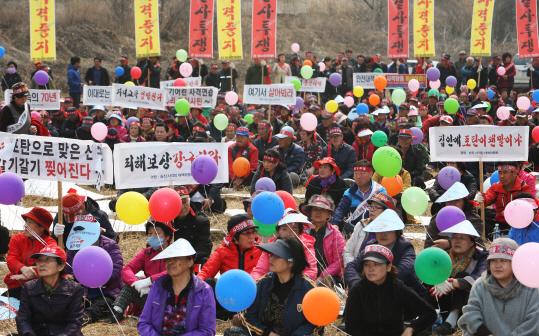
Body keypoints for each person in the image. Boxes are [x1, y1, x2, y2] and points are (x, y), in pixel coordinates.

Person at [344, 244, 436, 336]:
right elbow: (351, 327)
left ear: (388, 267)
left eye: (376, 264)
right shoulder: (357, 289)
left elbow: (429, 313)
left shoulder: (398, 288)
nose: (370, 269)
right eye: (367, 264)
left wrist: (412, 329)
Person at [239, 237, 321, 336]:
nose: (271, 259)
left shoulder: (309, 288)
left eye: (277, 256)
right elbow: (247, 317)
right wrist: (268, 333)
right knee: (233, 332)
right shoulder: (262, 284)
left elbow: (315, 324)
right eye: (271, 255)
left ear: (291, 262)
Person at [459, 238, 539, 336]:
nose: (497, 265)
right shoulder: (480, 285)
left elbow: (533, 322)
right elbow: (471, 315)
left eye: (503, 260)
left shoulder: (530, 288)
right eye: (493, 260)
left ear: (515, 263)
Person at [138, 238, 216, 336]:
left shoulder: (203, 291)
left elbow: (207, 330)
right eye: (167, 259)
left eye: (176, 258)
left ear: (190, 262)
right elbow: (144, 323)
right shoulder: (157, 286)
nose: (170, 262)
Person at [344, 209, 426, 298]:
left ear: (397, 233)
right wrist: (356, 283)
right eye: (380, 230)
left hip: (401, 295)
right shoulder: (372, 245)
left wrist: (376, 284)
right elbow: (351, 266)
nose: (383, 234)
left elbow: (404, 271)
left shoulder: (405, 246)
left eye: (388, 231)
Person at [102, 221, 174, 324]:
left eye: (157, 233)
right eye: (150, 233)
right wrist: (137, 284)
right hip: (150, 297)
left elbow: (173, 273)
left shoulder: (176, 253)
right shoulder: (146, 253)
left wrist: (149, 281)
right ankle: (116, 312)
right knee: (131, 284)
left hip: (171, 300)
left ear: (167, 236)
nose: (152, 237)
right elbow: (126, 270)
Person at [428, 221, 488, 335]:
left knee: (462, 276)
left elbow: (481, 277)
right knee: (436, 279)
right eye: (454, 237)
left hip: (468, 303)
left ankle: (451, 322)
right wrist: (438, 281)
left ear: (472, 243)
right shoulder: (444, 255)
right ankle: (430, 319)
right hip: (445, 299)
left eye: (462, 238)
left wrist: (452, 282)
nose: (457, 241)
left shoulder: (482, 256)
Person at [15, 245, 84, 336]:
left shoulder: (74, 289)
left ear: (61, 266)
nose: (41, 264)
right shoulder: (29, 287)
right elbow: (23, 319)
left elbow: (75, 323)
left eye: (47, 260)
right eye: (39, 260)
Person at [65, 231, 123, 325]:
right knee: (72, 302)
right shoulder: (74, 246)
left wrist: (96, 280)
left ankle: (85, 317)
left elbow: (116, 272)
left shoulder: (110, 245)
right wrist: (70, 279)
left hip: (106, 291)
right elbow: (68, 269)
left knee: (104, 303)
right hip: (82, 291)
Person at [3, 207, 56, 300]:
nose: (25, 226)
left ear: (42, 227)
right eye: (26, 222)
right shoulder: (17, 239)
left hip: (39, 288)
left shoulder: (50, 244)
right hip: (16, 285)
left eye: (29, 222)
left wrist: (27, 275)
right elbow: (11, 259)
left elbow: (49, 268)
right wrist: (22, 268)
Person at [251, 212, 318, 280]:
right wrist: (257, 284)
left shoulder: (306, 247)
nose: (288, 233)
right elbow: (260, 271)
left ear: (300, 233)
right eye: (284, 229)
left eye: (293, 230)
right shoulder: (270, 248)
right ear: (278, 231)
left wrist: (294, 285)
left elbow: (310, 272)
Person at [475, 161, 532, 237]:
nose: (501, 176)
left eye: (505, 173)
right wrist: (482, 198)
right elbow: (488, 200)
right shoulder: (495, 187)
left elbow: (528, 210)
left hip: (516, 224)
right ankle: (501, 235)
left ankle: (503, 235)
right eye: (500, 172)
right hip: (499, 222)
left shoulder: (523, 188)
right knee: (478, 214)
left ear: (515, 173)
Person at [300, 194, 345, 287]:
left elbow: (339, 261)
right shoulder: (302, 230)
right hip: (304, 273)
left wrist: (321, 277)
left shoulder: (335, 234)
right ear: (311, 212)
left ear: (329, 214)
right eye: (315, 209)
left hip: (327, 276)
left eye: (322, 210)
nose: (318, 212)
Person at [425, 182, 484, 249]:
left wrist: (449, 243)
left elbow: (475, 243)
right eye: (449, 200)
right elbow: (429, 245)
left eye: (456, 200)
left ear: (464, 202)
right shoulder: (437, 219)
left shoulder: (474, 220)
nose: (452, 203)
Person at [333, 160, 387, 233]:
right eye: (355, 173)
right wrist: (335, 223)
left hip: (375, 226)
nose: (358, 177)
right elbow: (341, 209)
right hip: (355, 228)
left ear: (371, 174)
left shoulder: (379, 190)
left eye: (362, 173)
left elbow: (384, 212)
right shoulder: (349, 192)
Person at [343, 193, 395, 266]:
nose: (371, 210)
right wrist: (353, 268)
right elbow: (347, 251)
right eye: (370, 206)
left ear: (386, 211)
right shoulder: (361, 225)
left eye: (376, 207)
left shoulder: (393, 232)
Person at [52, 189, 117, 246]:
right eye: (70, 216)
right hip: (71, 255)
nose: (74, 218)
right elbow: (53, 245)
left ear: (83, 205)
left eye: (76, 214)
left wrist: (98, 241)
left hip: (97, 254)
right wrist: (55, 236)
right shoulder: (60, 217)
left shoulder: (99, 215)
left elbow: (114, 238)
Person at [172, 186, 213, 264]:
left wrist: (187, 259)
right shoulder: (167, 222)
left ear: (189, 201)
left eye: (184, 202)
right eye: (178, 203)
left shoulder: (201, 221)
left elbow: (204, 248)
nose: (182, 206)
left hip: (191, 260)